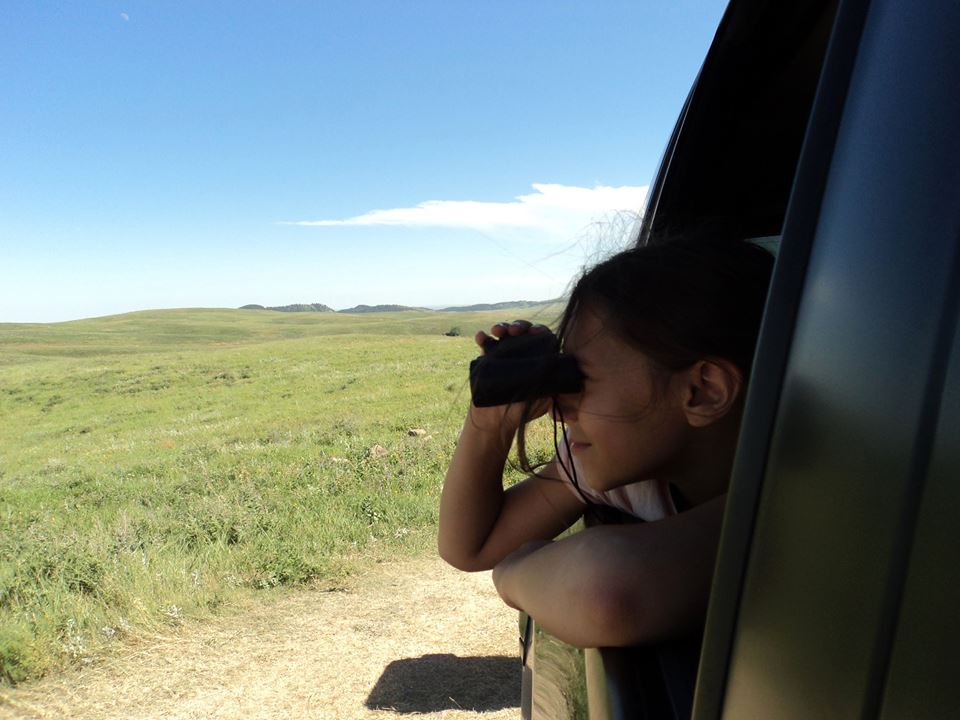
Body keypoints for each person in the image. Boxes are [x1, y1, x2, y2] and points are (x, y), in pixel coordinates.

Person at [438, 234, 774, 650]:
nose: (561, 409)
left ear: (703, 390)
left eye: (581, 379)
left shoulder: (790, 502)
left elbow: (606, 596)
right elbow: (468, 547)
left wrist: (513, 570)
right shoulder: (634, 475)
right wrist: (490, 424)